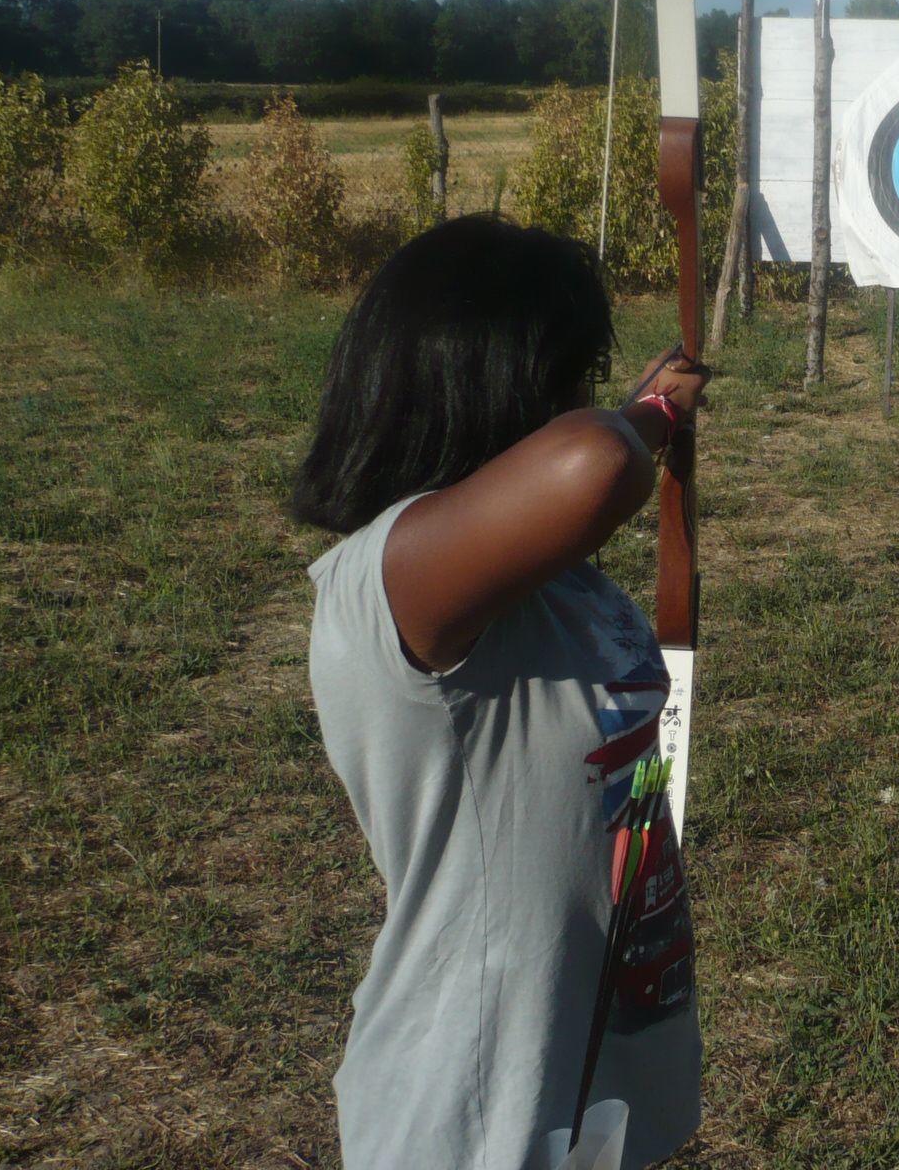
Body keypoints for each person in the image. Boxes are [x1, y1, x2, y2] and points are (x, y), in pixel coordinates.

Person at [291, 213, 708, 1170]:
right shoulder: (394, 577)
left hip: (574, 1071)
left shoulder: (535, 578)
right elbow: (595, 465)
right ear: (490, 385)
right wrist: (653, 418)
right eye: (568, 382)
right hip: (468, 1103)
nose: (580, 406)